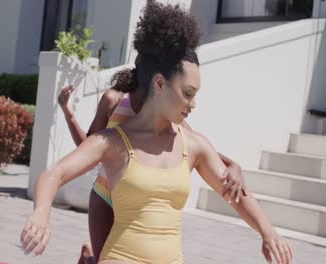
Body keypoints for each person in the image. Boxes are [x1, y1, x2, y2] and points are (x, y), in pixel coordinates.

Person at [21, 2, 293, 263]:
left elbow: (235, 194)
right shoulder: (113, 142)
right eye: (187, 93)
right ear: (160, 83)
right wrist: (42, 213)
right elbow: (54, 174)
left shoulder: (194, 145)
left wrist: (268, 231)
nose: (193, 104)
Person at [59, 56, 247, 264]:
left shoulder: (168, 116)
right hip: (106, 197)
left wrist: (233, 166)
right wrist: (69, 115)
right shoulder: (113, 100)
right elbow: (87, 149)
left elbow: (200, 148)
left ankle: (88, 259)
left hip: (140, 203)